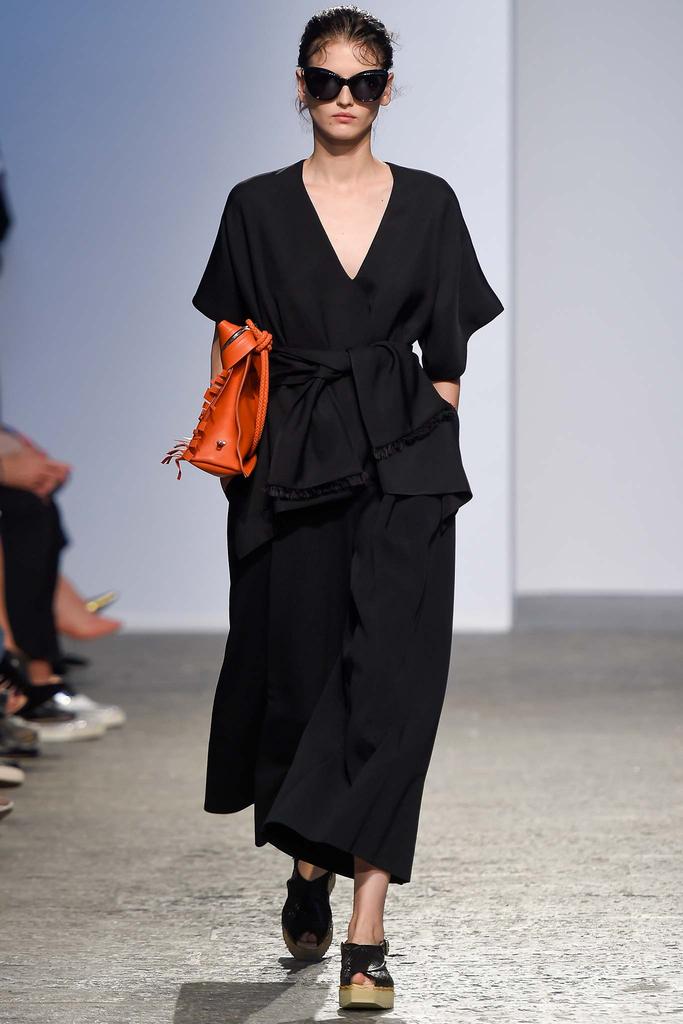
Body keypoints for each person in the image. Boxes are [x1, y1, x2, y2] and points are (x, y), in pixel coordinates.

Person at [189, 6, 504, 1011]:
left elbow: (446, 356)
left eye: (361, 82)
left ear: (385, 90)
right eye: (324, 80)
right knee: (300, 684)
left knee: (395, 690)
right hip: (289, 470)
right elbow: (233, 350)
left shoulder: (429, 203)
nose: (342, 98)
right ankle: (307, 864)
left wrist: (428, 452)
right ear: (299, 86)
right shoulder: (254, 206)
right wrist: (241, 470)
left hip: (403, 467)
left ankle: (366, 936)